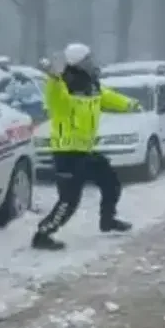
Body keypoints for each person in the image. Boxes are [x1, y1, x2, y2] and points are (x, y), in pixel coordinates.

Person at [32, 43, 140, 251]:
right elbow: (54, 90)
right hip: (67, 153)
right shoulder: (62, 87)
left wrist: (129, 104)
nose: (92, 63)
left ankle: (107, 221)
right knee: (69, 200)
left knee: (111, 183)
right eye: (88, 60)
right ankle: (42, 234)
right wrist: (54, 76)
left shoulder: (92, 85)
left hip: (86, 150)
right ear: (78, 63)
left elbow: (108, 97)